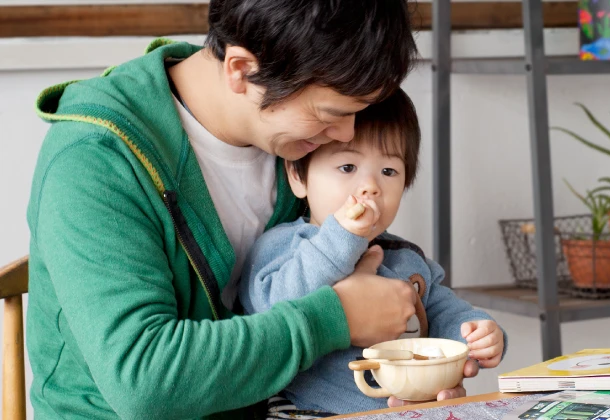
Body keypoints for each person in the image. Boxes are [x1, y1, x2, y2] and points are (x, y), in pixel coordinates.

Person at [27, 1, 476, 418]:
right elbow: (146, 382)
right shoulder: (96, 158)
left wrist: (414, 382)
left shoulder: (290, 138)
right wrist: (337, 318)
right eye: (330, 113)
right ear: (241, 69)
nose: (345, 135)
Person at [238, 88, 507, 415]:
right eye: (348, 167)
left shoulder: (405, 257)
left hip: (403, 409)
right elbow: (277, 307)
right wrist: (343, 237)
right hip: (308, 410)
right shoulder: (286, 245)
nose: (371, 186)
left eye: (389, 172)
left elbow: (442, 310)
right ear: (298, 176)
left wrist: (475, 332)